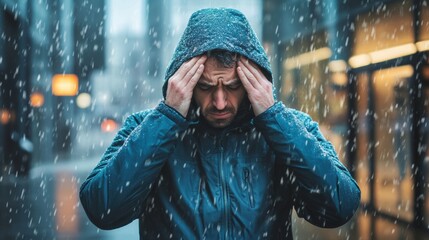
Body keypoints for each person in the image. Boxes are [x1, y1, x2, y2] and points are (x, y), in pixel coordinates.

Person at [79, 8, 361, 239]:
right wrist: (167, 118)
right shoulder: (147, 127)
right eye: (205, 86)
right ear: (184, 82)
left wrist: (274, 117)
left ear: (255, 82)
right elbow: (103, 208)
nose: (220, 102)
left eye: (234, 86)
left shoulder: (287, 127)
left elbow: (339, 206)